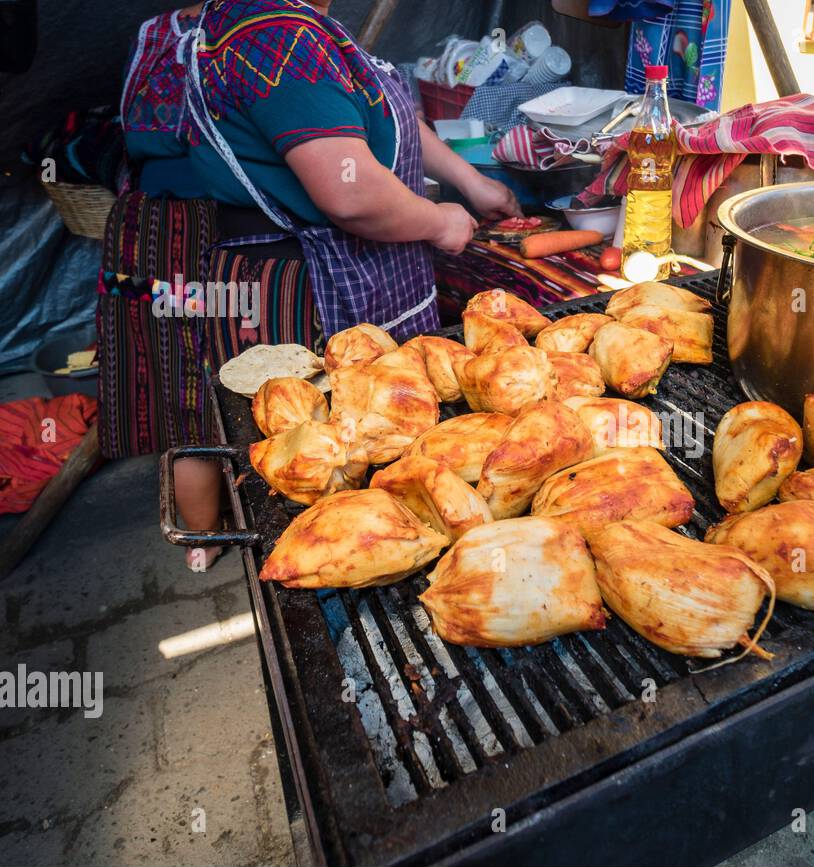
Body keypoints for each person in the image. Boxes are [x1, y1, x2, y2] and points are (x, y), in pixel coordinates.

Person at [104, 0, 520, 567]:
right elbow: (350, 193)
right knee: (331, 471)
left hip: (319, 272)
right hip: (307, 290)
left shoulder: (287, 21)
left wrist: (470, 182)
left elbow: (381, 117)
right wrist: (440, 219)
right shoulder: (277, 34)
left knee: (376, 451)